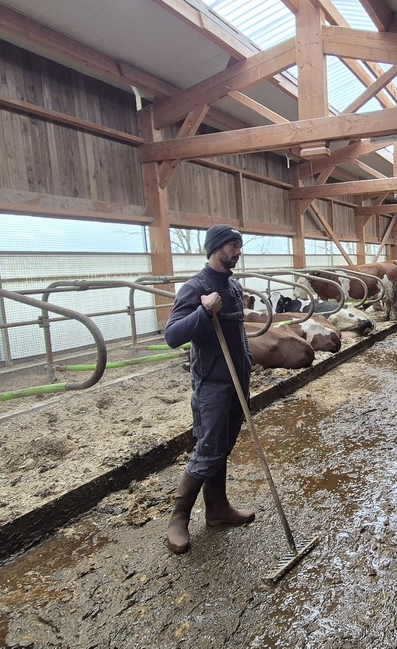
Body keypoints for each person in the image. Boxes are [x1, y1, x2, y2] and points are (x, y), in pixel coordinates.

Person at [162, 224, 255, 554]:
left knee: (224, 445)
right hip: (212, 385)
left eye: (239, 245)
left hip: (237, 380)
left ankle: (217, 509)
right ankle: (178, 517)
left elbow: (239, 334)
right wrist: (203, 311)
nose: (238, 251)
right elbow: (172, 336)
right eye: (232, 245)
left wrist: (248, 367)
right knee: (208, 449)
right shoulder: (195, 287)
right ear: (215, 248)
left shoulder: (232, 285)